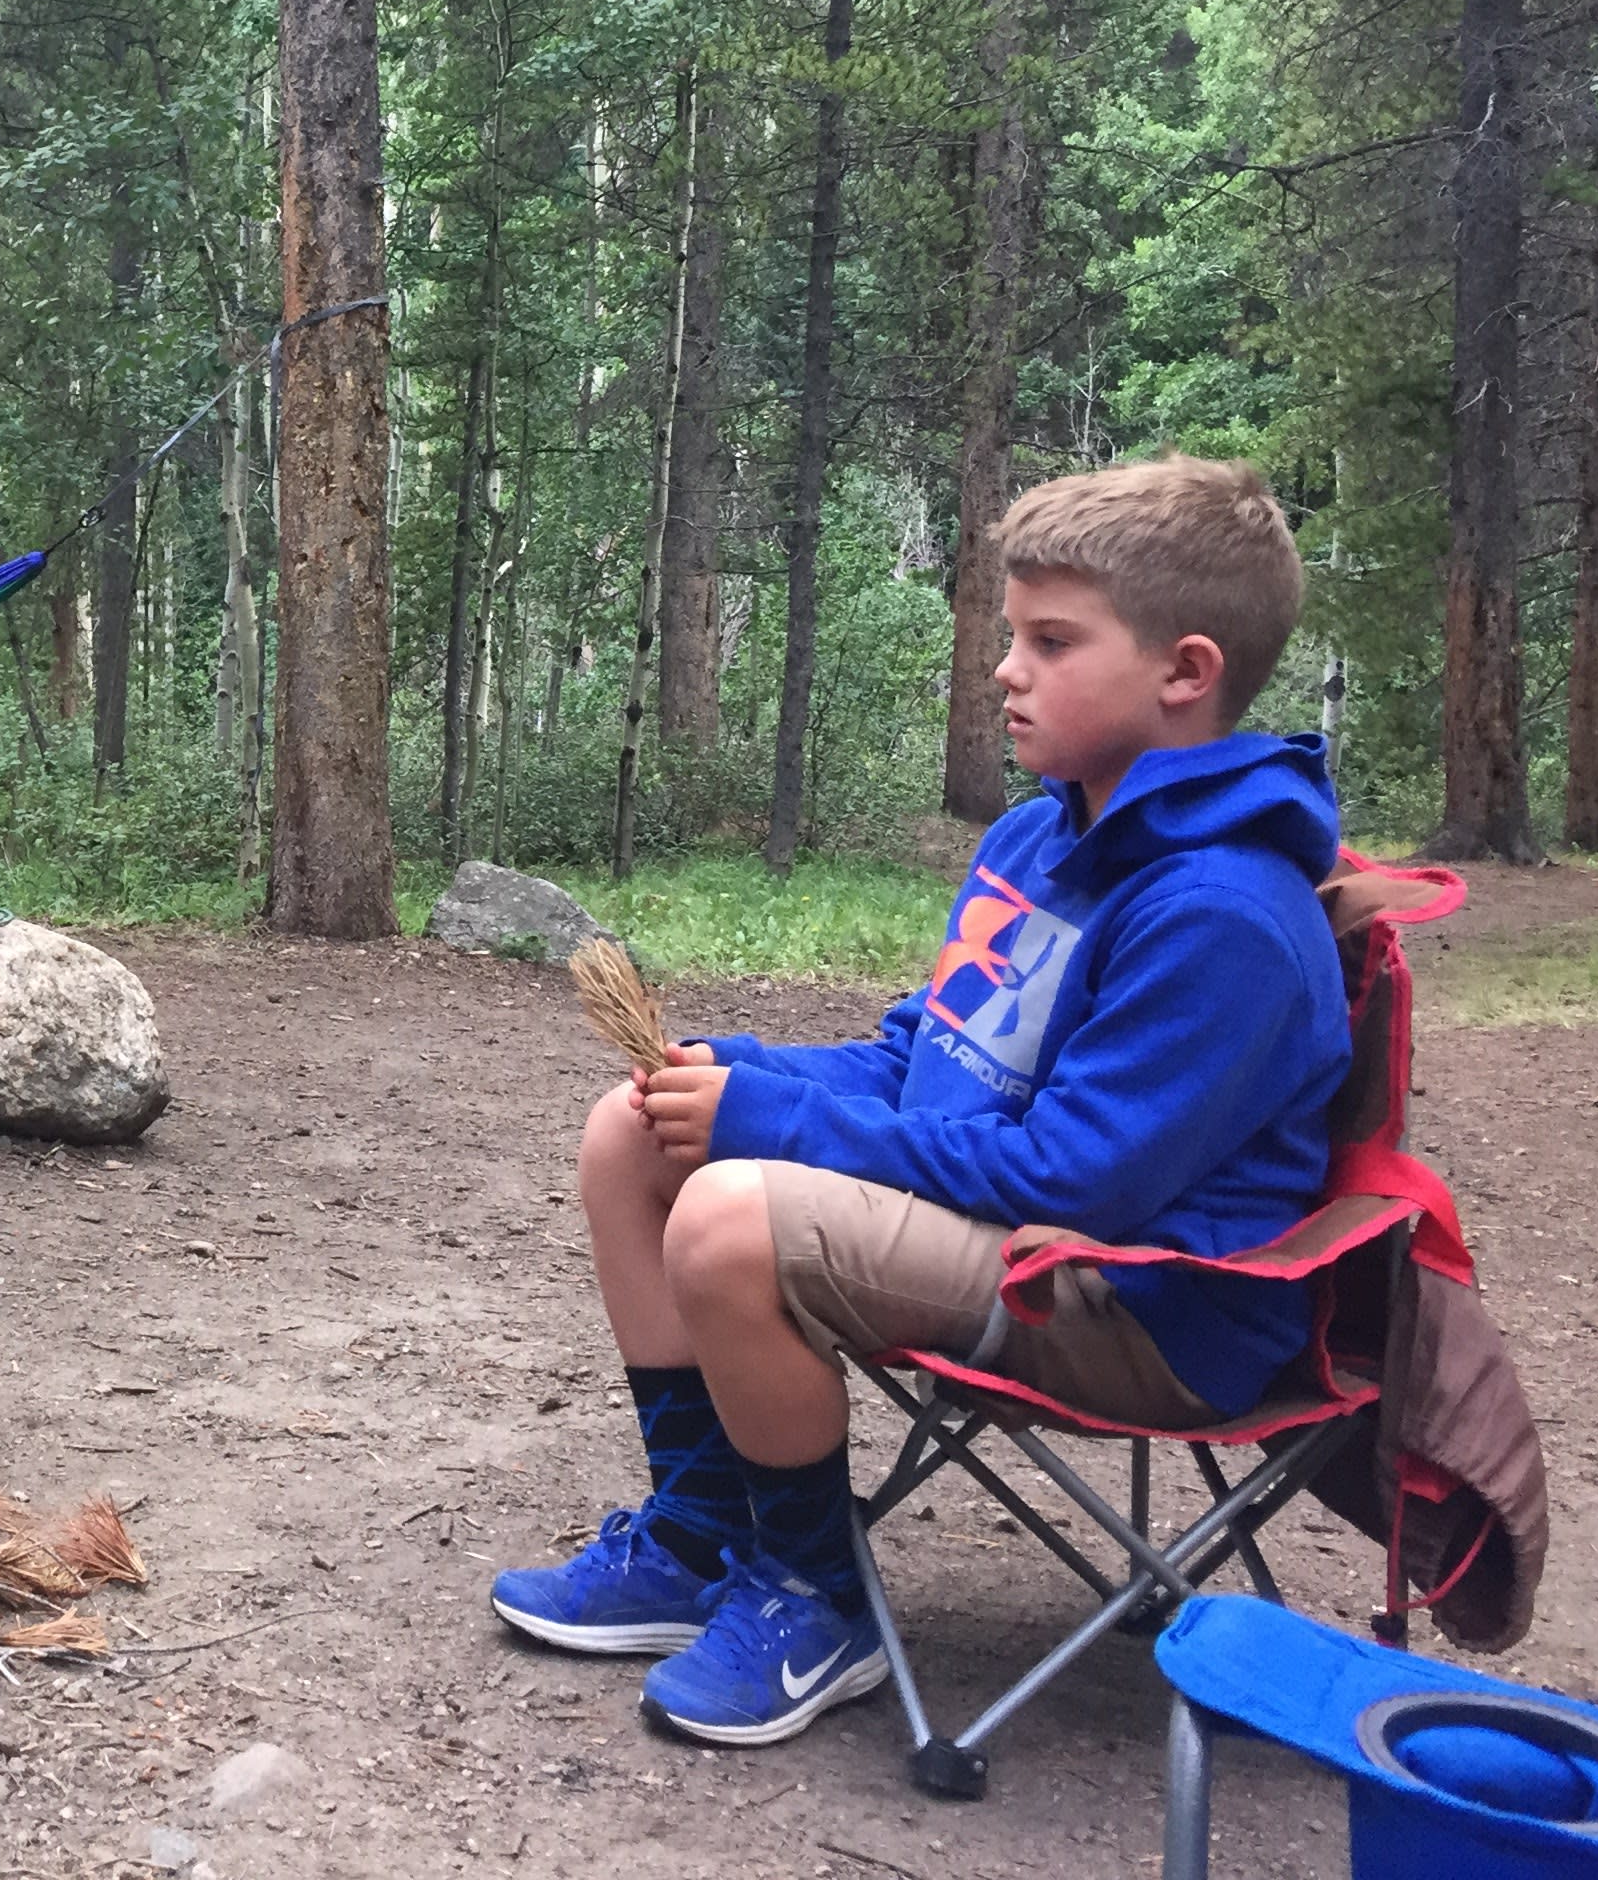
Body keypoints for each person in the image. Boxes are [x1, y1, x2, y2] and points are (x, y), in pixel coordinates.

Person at [491, 454, 1352, 1748]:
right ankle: (701, 1530)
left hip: (1145, 1296)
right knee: (633, 1136)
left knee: (730, 1214)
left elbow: (1076, 1177)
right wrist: (745, 1076)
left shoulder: (1224, 915)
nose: (1006, 669)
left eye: (1051, 642)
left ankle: (813, 1597)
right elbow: (924, 1060)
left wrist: (765, 1132)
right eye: (1013, 635)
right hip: (1032, 1238)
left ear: (1186, 672)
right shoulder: (1035, 842)